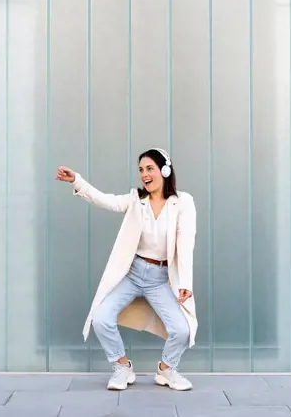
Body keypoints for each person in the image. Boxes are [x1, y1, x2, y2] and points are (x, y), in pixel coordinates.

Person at [56, 148, 197, 391]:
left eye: (150, 168)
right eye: (141, 170)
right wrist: (77, 181)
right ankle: (122, 367)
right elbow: (105, 200)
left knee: (182, 331)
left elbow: (186, 243)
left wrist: (185, 282)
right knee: (100, 319)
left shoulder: (183, 202)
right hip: (132, 274)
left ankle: (166, 370)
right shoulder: (135, 200)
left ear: (165, 170)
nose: (144, 174)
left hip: (160, 279)